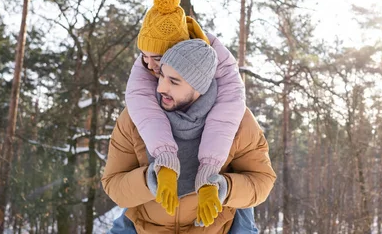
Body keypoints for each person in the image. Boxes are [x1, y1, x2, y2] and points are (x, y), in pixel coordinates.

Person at [101, 39, 276, 233]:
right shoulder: (135, 117)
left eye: (174, 82)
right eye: (161, 76)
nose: (160, 88)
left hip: (215, 228)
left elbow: (262, 180)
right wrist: (150, 180)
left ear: (199, 87)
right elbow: (113, 182)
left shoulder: (238, 120)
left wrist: (223, 189)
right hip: (147, 227)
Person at [124, 0, 247, 225]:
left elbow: (225, 116)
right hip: (153, 217)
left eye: (157, 59)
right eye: (143, 56)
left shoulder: (217, 58)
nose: (148, 66)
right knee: (125, 222)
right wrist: (166, 157)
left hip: (218, 208)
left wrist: (210, 172)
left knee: (243, 219)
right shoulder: (147, 64)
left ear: (176, 52)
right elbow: (145, 110)